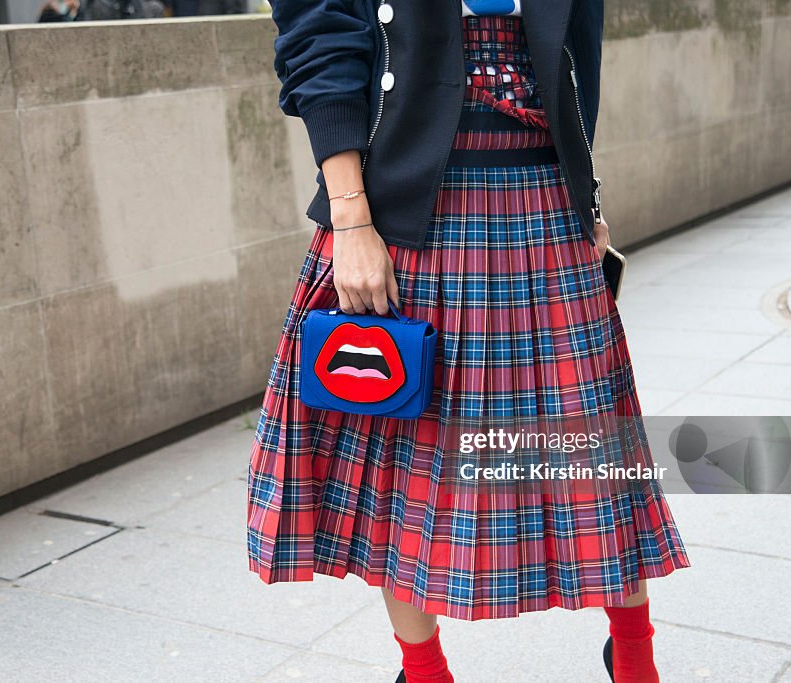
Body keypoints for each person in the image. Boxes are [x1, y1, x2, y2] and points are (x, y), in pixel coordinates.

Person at [247, 1, 691, 681]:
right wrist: (351, 218)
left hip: (546, 192)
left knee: (593, 453)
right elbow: (320, 29)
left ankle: (634, 654)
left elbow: (579, 40)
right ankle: (425, 672)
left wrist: (586, 194)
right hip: (404, 210)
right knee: (403, 467)